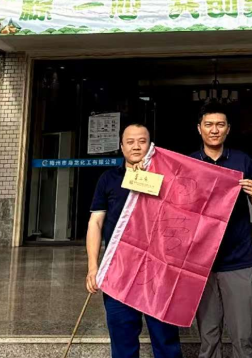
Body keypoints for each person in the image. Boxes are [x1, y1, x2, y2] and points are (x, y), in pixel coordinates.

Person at [86, 123, 183, 358]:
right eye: (130, 142)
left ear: (151, 146)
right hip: (118, 270)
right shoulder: (108, 179)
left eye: (142, 141)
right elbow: (95, 223)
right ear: (121, 147)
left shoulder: (165, 178)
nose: (136, 146)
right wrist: (93, 267)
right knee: (122, 340)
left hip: (158, 270)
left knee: (165, 339)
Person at [191, 100, 252, 358]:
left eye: (220, 125)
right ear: (199, 128)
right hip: (201, 261)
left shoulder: (242, 160)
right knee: (208, 337)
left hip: (238, 259)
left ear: (228, 129)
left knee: (243, 336)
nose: (214, 130)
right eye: (209, 124)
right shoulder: (189, 163)